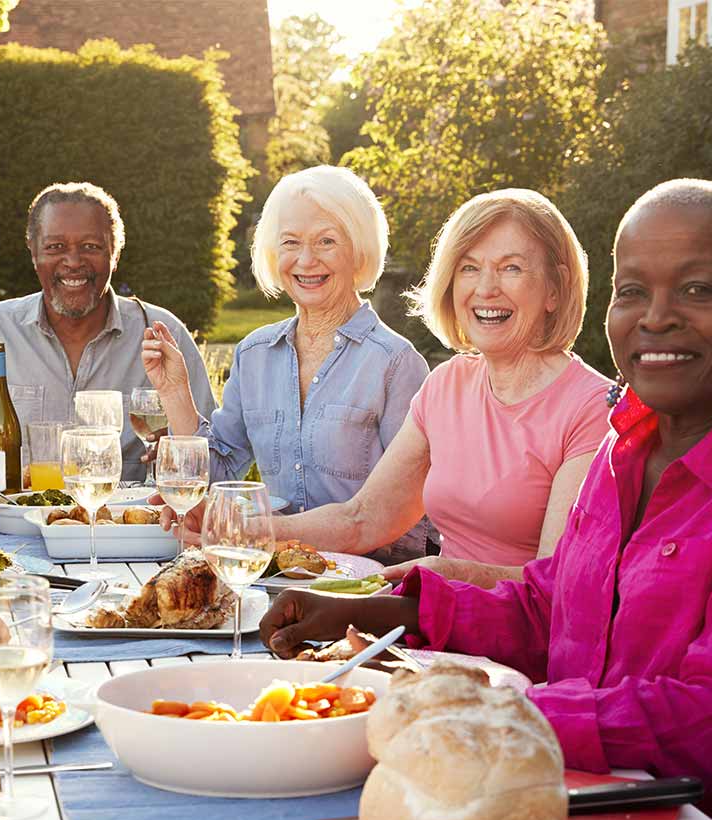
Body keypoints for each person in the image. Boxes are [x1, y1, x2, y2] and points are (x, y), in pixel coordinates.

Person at [259, 179, 712, 820]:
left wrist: (500, 711)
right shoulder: (627, 444)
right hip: (576, 800)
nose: (658, 318)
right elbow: (552, 605)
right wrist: (384, 611)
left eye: (699, 291)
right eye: (634, 290)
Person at [165, 188, 610, 587]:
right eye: (470, 268)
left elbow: (560, 586)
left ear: (556, 288)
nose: (485, 288)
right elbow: (362, 518)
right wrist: (231, 525)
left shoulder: (592, 408)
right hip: (432, 624)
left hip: (520, 651)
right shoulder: (448, 383)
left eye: (511, 268)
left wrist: (453, 576)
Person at [142, 165, 429, 559]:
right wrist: (174, 392)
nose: (306, 261)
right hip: (267, 573)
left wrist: (249, 532)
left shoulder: (396, 364)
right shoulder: (254, 354)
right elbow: (220, 472)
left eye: (326, 241)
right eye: (291, 242)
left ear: (359, 249)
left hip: (362, 585)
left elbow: (408, 521)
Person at [0, 181, 217, 482]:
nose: (73, 262)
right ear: (33, 253)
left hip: (125, 526)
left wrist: (178, 455)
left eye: (91, 247)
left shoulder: (162, 334)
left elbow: (212, 459)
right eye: (55, 247)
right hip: (7, 525)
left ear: (115, 254)